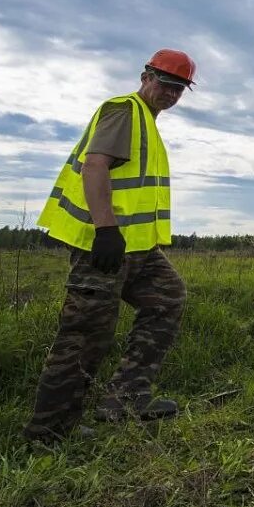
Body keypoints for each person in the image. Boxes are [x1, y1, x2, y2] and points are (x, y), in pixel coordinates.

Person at [22, 49, 197, 444]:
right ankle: (48, 433)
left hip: (138, 251)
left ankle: (127, 398)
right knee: (84, 335)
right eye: (165, 83)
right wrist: (105, 230)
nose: (171, 93)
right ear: (146, 76)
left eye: (179, 88)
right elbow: (95, 165)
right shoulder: (124, 110)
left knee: (167, 298)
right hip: (104, 248)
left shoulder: (147, 122)